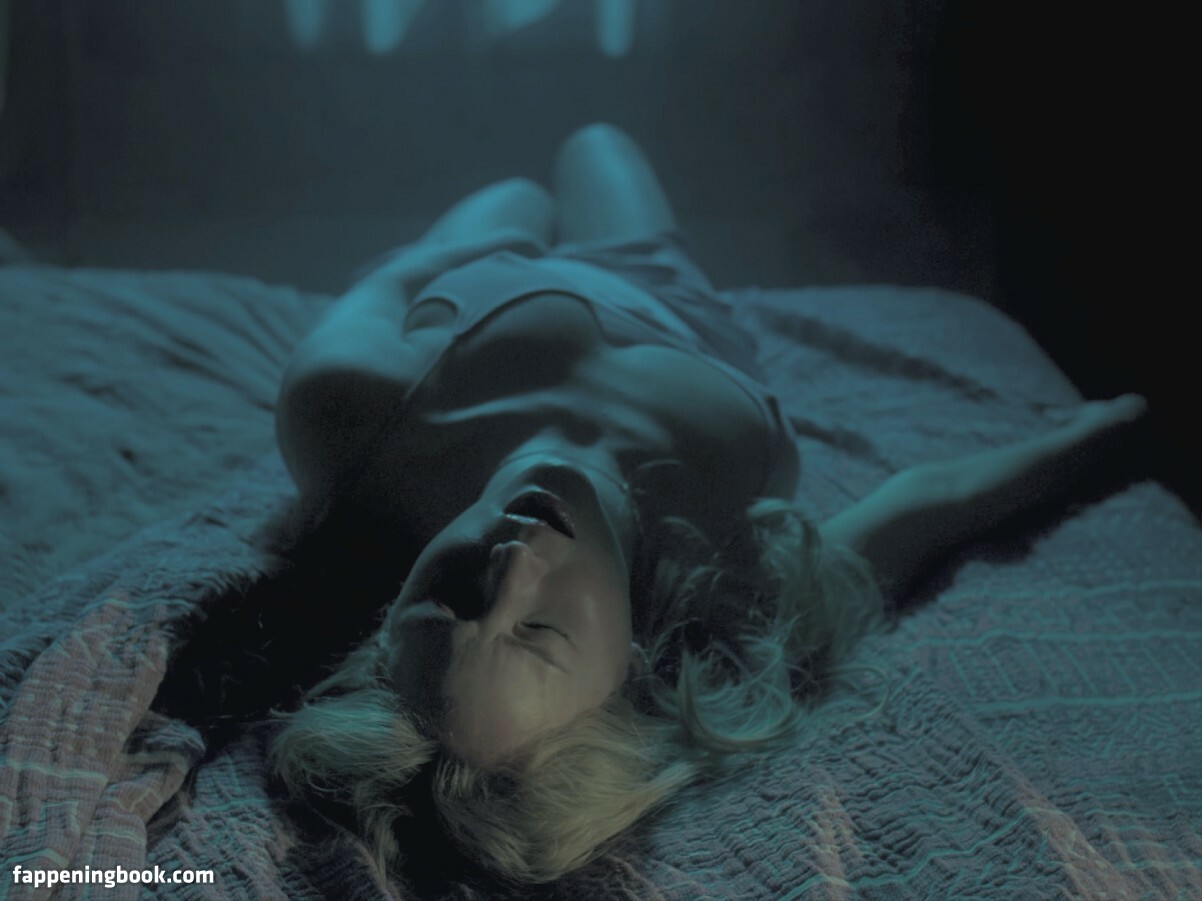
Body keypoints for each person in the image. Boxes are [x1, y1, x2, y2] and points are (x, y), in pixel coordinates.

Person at [269, 123, 1146, 883]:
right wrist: (1106, 432)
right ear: (624, 668)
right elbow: (930, 502)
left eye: (453, 595)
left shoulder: (347, 415)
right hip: (671, 288)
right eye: (539, 629)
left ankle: (517, 211)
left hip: (489, 281)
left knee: (525, 187)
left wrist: (492, 247)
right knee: (598, 145)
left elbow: (396, 283)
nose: (512, 561)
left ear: (393, 608)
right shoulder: (720, 577)